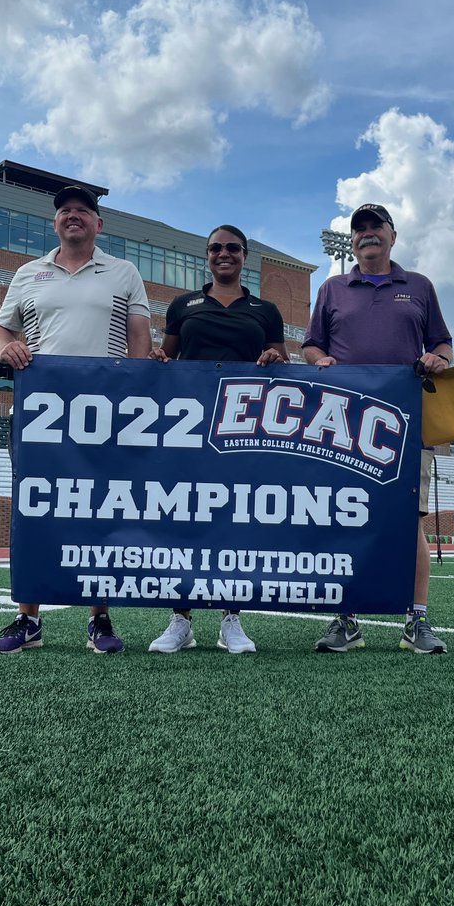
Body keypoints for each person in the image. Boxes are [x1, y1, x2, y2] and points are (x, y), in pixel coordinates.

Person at [0, 185, 152, 655]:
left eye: (83, 210)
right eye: (65, 211)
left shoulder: (123, 272)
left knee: (100, 509)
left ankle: (99, 618)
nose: (73, 216)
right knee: (34, 510)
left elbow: (139, 339)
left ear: (99, 224)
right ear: (55, 222)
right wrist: (5, 347)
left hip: (105, 414)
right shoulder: (29, 273)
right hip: (40, 414)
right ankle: (28, 619)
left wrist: (132, 399)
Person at [302, 203, 452, 655]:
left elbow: (441, 341)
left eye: (375, 227)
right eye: (359, 229)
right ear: (351, 241)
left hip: (406, 421)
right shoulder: (332, 288)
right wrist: (320, 360)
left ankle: (417, 620)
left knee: (411, 523)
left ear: (392, 235)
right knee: (346, 519)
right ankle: (346, 618)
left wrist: (439, 359)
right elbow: (311, 345)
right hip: (344, 422)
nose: (367, 234)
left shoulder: (420, 286)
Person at [148, 224, 289, 655]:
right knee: (184, 517)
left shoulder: (265, 309)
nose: (223, 254)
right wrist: (158, 359)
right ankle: (181, 619)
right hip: (189, 428)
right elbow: (168, 357)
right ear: (206, 256)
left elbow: (280, 360)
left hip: (241, 430)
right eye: (215, 248)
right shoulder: (183, 304)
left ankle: (231, 618)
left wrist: (273, 358)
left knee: (234, 519)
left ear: (245, 256)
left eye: (232, 248)